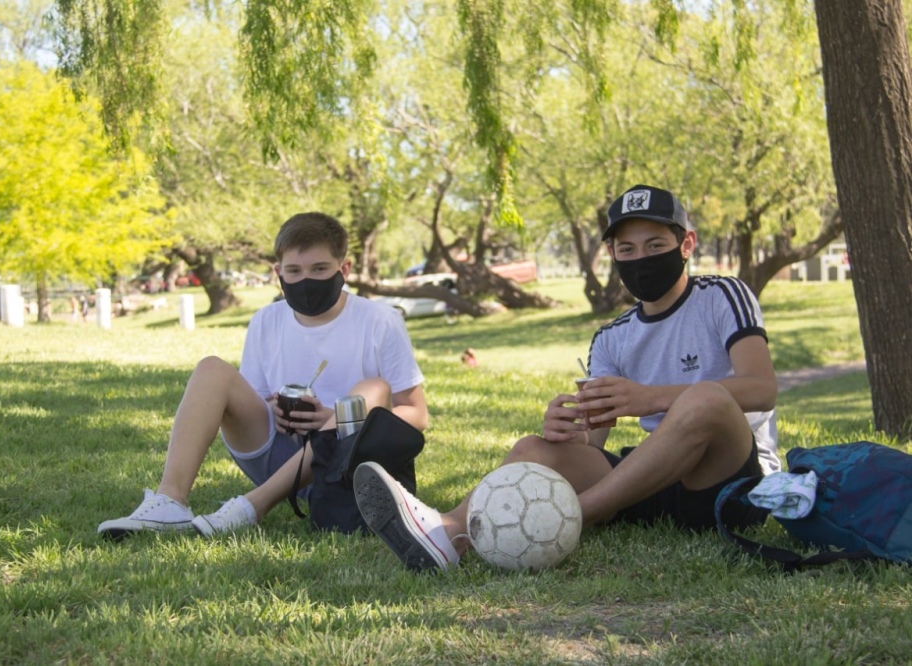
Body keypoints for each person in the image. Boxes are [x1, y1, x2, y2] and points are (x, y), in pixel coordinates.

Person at [353, 184, 780, 571]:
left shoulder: (723, 296)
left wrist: (651, 398)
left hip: (727, 478)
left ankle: (572, 517)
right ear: (612, 254)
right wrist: (568, 432)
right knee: (533, 448)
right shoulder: (611, 338)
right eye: (626, 250)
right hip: (655, 480)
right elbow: (594, 446)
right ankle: (448, 533)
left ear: (686, 244)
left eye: (655, 244)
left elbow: (762, 389)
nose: (640, 259)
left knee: (705, 398)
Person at [98, 212, 428, 540]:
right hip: (278, 451)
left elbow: (416, 414)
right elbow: (253, 400)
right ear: (278, 273)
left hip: (343, 464)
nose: (306, 281)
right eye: (294, 271)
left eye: (319, 269)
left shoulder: (381, 320)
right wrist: (274, 408)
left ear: (345, 269)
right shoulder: (265, 321)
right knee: (211, 368)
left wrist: (335, 419)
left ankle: (251, 507)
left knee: (372, 389)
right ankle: (169, 501)